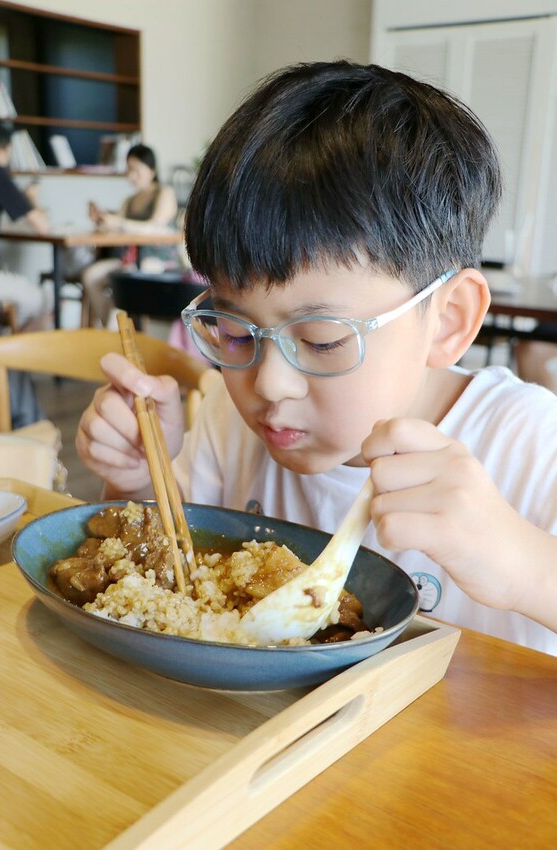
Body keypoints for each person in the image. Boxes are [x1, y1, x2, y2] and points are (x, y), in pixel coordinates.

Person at [75, 61, 557, 655]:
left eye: (323, 339)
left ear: (449, 319)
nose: (269, 383)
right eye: (234, 329)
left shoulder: (532, 445)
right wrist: (131, 482)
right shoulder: (232, 427)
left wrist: (527, 565)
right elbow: (157, 596)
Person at [82, 143, 178, 326]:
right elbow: (116, 229)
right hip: (131, 261)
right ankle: (116, 329)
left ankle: (116, 329)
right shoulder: (130, 200)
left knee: (123, 280)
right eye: (128, 170)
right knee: (91, 275)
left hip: (160, 261)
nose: (130, 175)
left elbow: (154, 227)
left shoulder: (165, 193)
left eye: (135, 169)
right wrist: (100, 219)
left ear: (151, 169)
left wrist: (117, 222)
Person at [0, 121, 53, 330]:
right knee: (44, 300)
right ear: (0, 151)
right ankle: (12, 360)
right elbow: (42, 226)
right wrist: (30, 198)